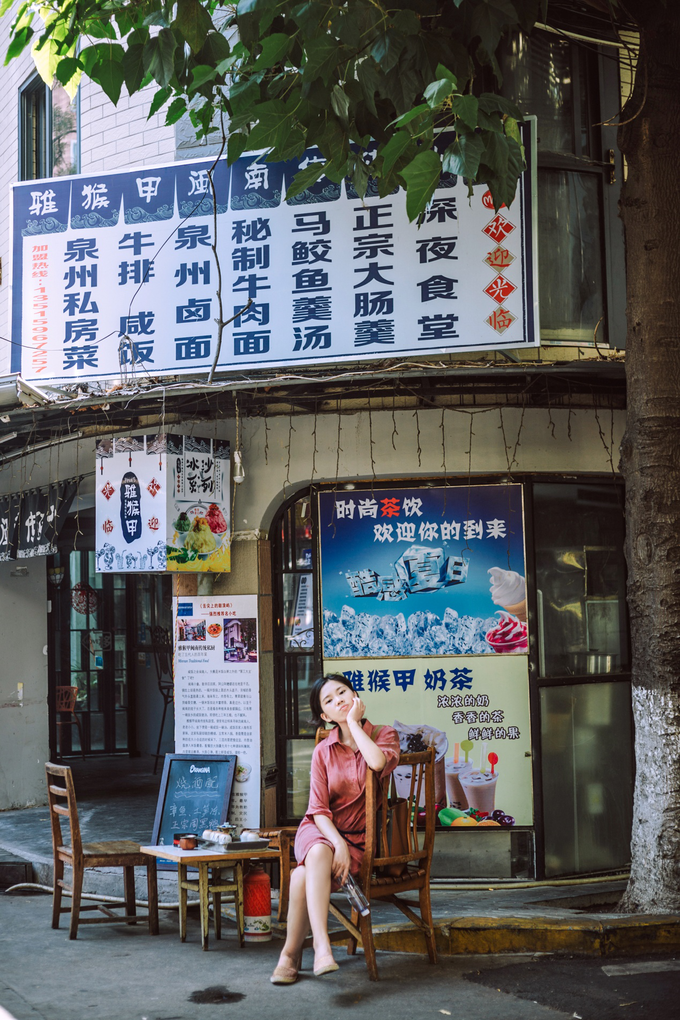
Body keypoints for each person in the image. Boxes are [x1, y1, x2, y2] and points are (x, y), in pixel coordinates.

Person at [270, 673, 400, 983]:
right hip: (320, 830)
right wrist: (337, 844)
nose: (339, 700)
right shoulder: (323, 751)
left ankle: (289, 954)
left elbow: (377, 763)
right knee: (318, 851)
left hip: (358, 841)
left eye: (342, 692)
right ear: (325, 716)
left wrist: (353, 723)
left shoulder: (384, 734)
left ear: (355, 695)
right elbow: (317, 810)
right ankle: (321, 945)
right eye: (329, 700)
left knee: (300, 875)